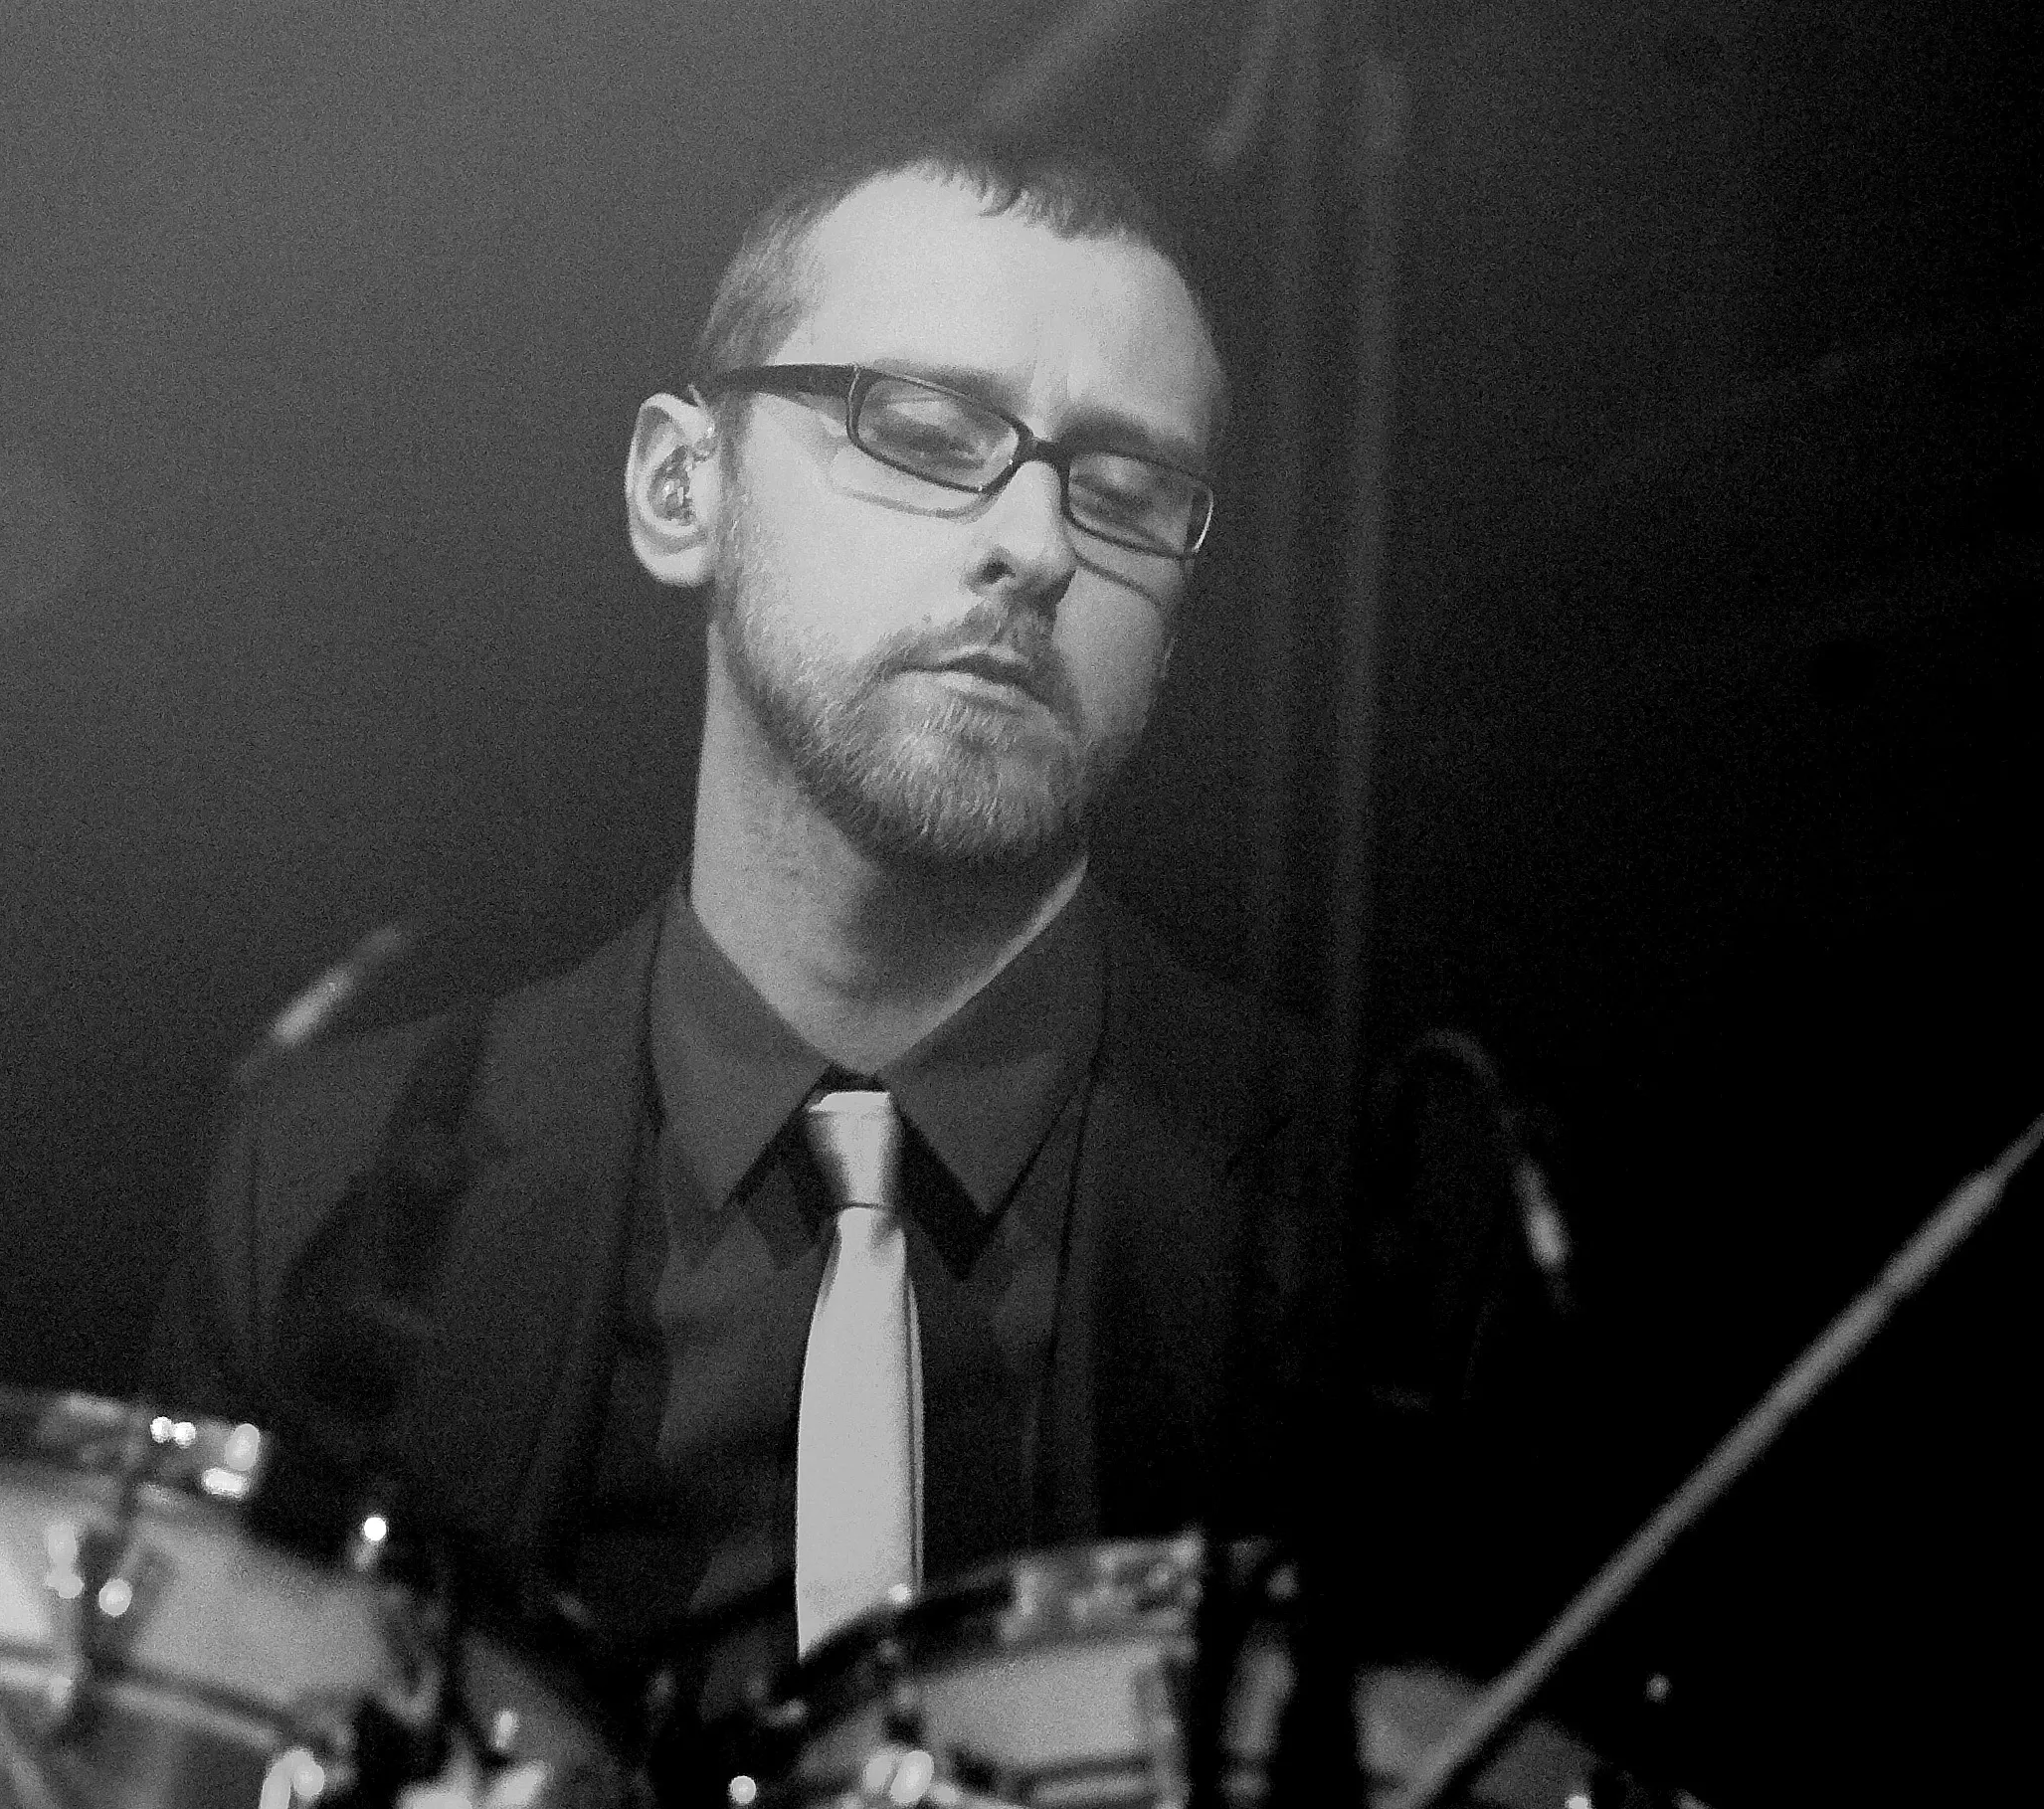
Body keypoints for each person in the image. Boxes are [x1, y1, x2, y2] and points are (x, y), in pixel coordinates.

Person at [148, 137, 1310, 1708]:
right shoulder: (329, 1194)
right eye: (924, 431)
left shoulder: (1373, 1216)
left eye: (1124, 492)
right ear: (680, 489)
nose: (1036, 548)